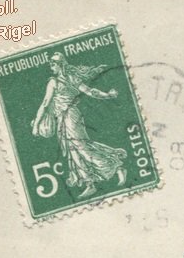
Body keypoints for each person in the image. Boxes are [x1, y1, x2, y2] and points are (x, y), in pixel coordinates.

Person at [31, 53, 127, 198]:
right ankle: (90, 183)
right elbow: (91, 92)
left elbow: (45, 104)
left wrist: (36, 124)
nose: (51, 67)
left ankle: (115, 167)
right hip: (66, 117)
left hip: (69, 117)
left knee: (82, 148)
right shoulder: (71, 79)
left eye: (53, 64)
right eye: (50, 64)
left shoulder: (54, 82)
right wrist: (107, 95)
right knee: (74, 150)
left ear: (61, 65)